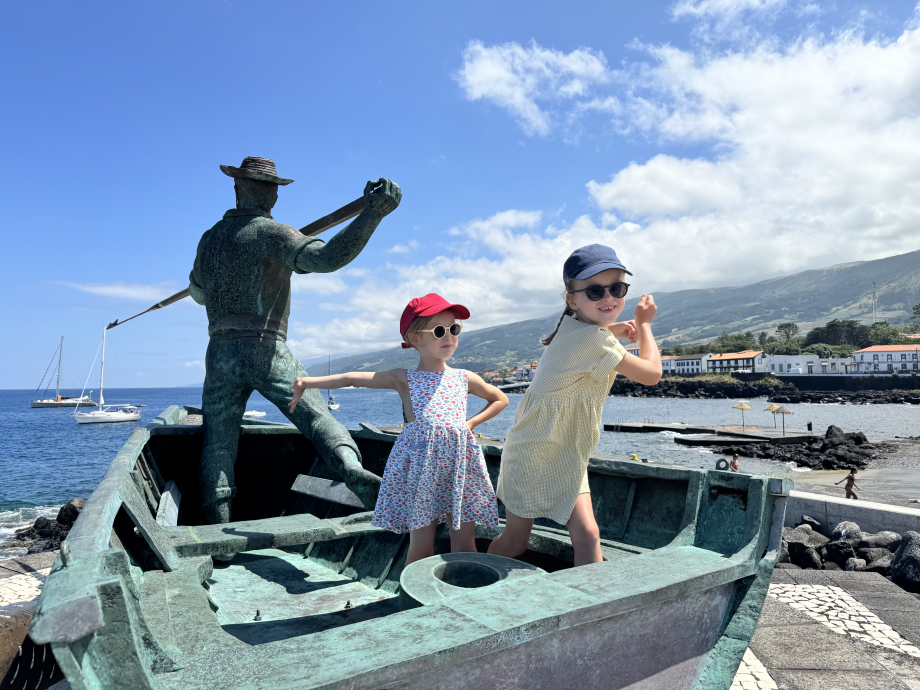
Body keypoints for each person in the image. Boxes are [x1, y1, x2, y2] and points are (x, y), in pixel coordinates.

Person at [188, 156, 401, 524]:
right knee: (315, 415)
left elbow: (198, 294)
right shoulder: (274, 234)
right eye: (270, 187)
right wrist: (372, 215)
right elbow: (330, 258)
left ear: (238, 187)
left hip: (219, 352)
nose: (271, 193)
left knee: (218, 444)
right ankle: (350, 469)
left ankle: (219, 525)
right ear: (270, 194)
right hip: (265, 348)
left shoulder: (209, 240)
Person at [290, 293, 508, 565]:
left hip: (458, 469)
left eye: (454, 329)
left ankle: (465, 594)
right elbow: (352, 379)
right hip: (423, 474)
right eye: (439, 330)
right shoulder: (403, 378)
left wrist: (470, 423)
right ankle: (410, 601)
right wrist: (308, 383)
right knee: (421, 547)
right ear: (415, 338)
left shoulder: (463, 378)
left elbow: (500, 399)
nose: (449, 337)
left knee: (464, 543)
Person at [488, 244, 661, 566]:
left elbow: (583, 337)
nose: (608, 298)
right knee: (515, 542)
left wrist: (611, 329)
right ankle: (470, 579)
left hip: (561, 450)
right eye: (595, 292)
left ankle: (591, 608)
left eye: (617, 288)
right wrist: (645, 324)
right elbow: (651, 375)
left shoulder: (577, 329)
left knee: (587, 537)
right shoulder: (593, 339)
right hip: (537, 451)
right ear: (572, 299)